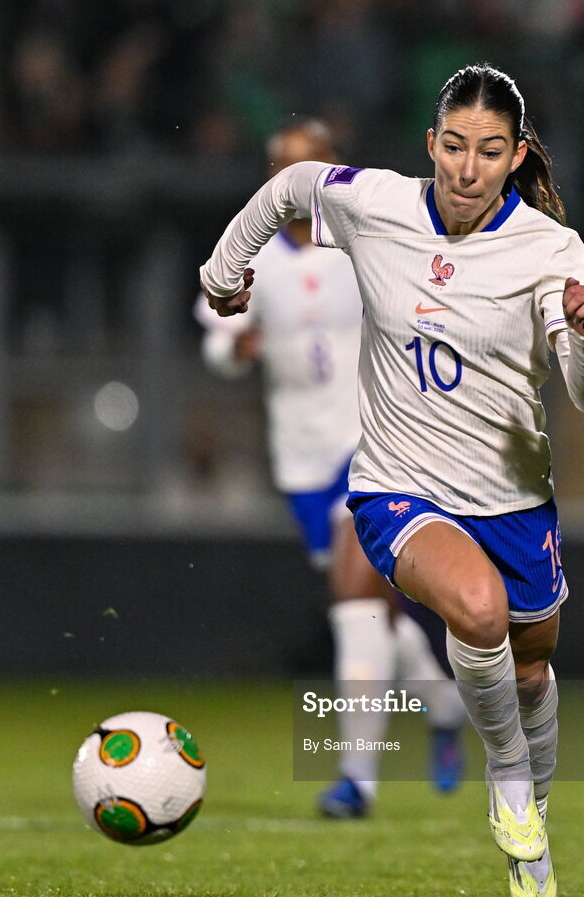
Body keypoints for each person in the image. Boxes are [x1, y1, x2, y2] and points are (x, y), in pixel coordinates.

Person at [198, 65, 584, 897]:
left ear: (516, 158)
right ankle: (502, 785)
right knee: (477, 612)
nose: (467, 168)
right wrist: (221, 273)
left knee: (531, 671)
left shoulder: (548, 249)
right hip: (397, 487)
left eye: (489, 151)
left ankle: (534, 823)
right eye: (454, 146)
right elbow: (291, 186)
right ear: (432, 145)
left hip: (512, 496)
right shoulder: (375, 203)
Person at [194, 119, 466, 819]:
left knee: (351, 602)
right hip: (301, 456)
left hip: (373, 441)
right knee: (372, 608)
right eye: (282, 167)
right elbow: (216, 344)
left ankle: (357, 780)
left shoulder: (363, 245)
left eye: (307, 168)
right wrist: (238, 348)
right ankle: (442, 705)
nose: (293, 183)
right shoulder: (248, 254)